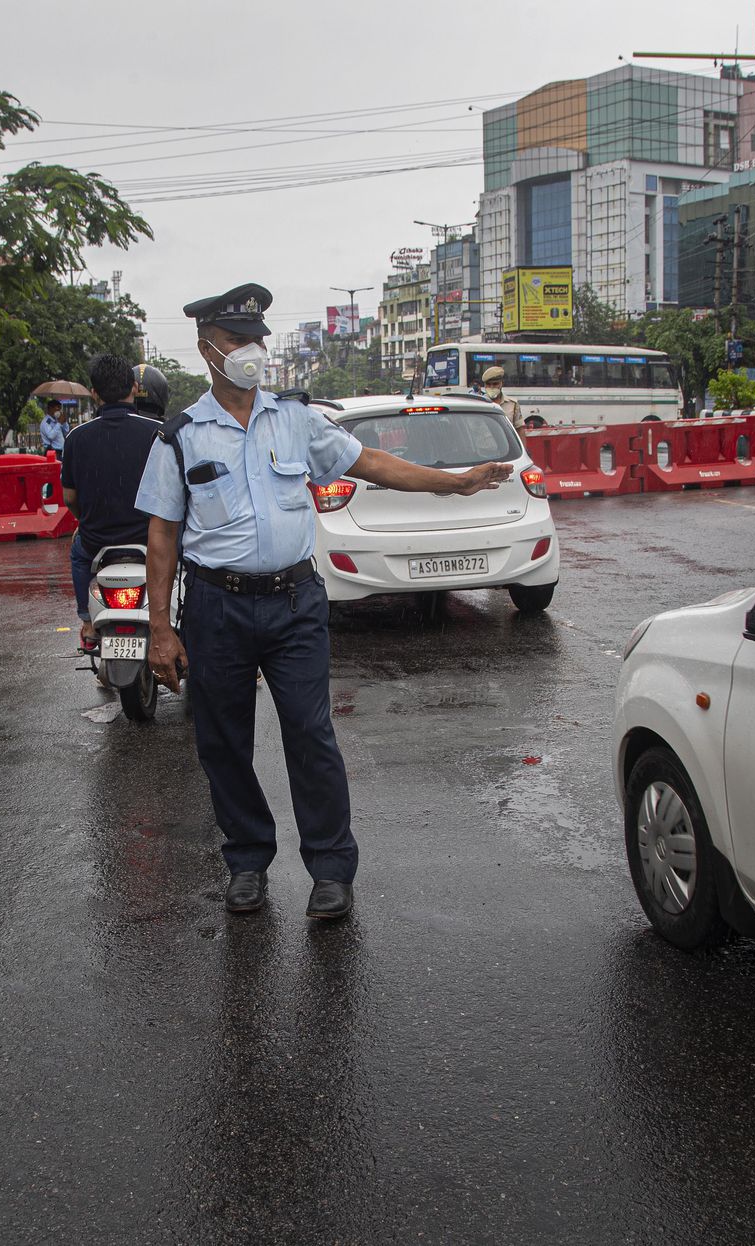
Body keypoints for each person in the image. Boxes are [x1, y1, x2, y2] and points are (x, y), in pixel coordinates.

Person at [136, 282, 513, 921]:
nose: (250, 351)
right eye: (236, 340)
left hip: (294, 604)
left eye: (256, 338)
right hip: (216, 608)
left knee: (312, 735)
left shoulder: (297, 419)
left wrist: (452, 484)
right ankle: (247, 861)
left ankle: (331, 870)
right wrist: (158, 628)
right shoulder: (180, 436)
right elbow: (162, 533)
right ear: (207, 348)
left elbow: (369, 462)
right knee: (224, 742)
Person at [62, 356, 163, 652]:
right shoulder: (156, 432)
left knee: (78, 554)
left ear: (94, 393)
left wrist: (86, 522)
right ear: (134, 387)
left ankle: (87, 621)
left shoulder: (76, 438)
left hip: (96, 541)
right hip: (150, 539)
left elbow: (70, 498)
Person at [482, 365, 521, 432]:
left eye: (495, 384)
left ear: (501, 384)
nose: (491, 387)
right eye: (488, 384)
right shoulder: (480, 403)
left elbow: (519, 429)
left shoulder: (512, 404)